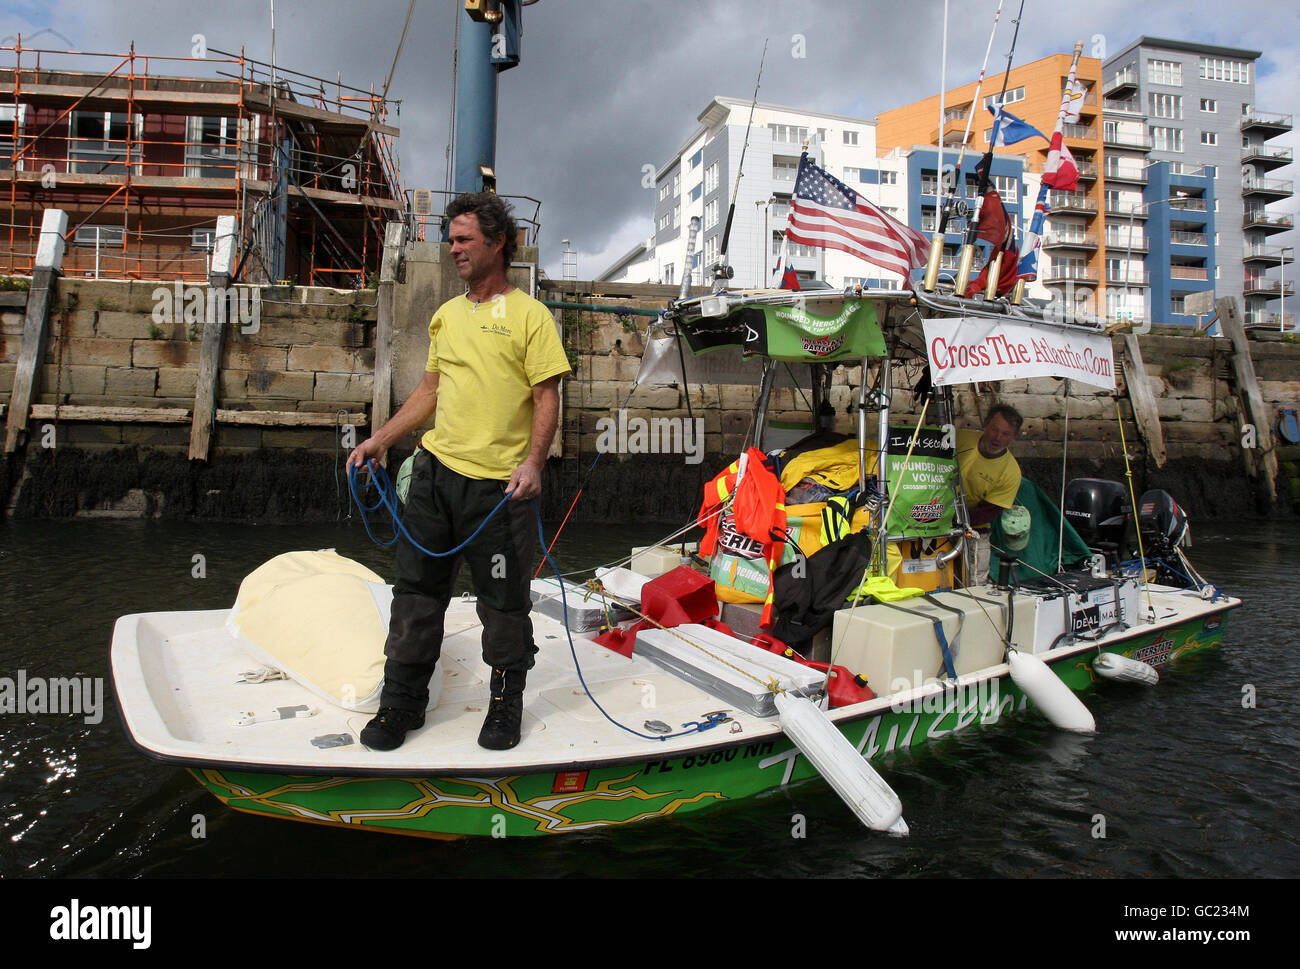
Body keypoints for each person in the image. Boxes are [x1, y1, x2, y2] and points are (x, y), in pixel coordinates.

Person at [345, 192, 570, 752]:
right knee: (416, 593)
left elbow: (547, 396)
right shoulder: (446, 316)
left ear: (498, 243)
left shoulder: (530, 316)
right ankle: (401, 703)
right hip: (435, 477)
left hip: (498, 491)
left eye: (465, 239)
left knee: (503, 602)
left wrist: (534, 462)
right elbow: (430, 390)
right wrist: (381, 440)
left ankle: (503, 705)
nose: (454, 249)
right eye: (451, 240)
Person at [956, 402, 1022, 585]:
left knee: (976, 582)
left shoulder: (1011, 471)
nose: (998, 438)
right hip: (934, 514)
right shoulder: (959, 438)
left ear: (1013, 437)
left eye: (1006, 434)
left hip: (975, 528)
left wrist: (954, 520)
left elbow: (989, 511)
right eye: (994, 430)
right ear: (985, 425)